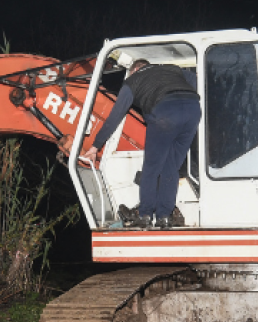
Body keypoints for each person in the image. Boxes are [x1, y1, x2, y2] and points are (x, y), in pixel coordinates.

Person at [81, 57, 201, 229]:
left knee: (151, 168)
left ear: (135, 70)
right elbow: (197, 80)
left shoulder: (133, 81)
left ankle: (145, 215)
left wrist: (95, 146)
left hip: (164, 112)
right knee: (171, 167)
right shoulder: (171, 69)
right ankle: (164, 217)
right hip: (192, 110)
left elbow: (116, 116)